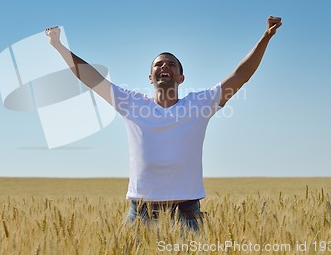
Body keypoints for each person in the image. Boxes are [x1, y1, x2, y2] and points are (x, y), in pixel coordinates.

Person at [45, 16, 283, 230]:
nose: (164, 66)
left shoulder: (199, 105)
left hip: (186, 214)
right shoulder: (131, 103)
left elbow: (240, 76)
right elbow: (91, 77)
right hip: (140, 214)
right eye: (158, 64)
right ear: (150, 78)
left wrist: (266, 37)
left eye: (170, 64)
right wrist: (58, 47)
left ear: (181, 77)